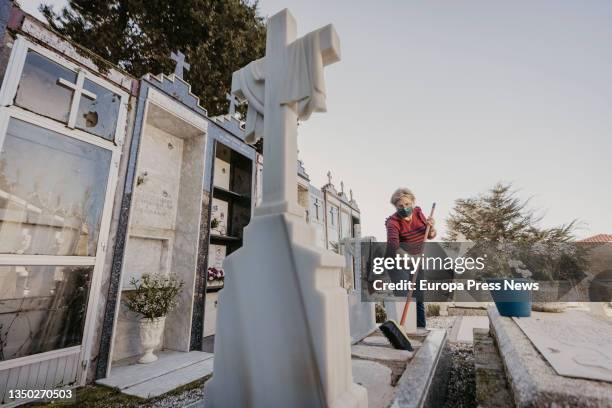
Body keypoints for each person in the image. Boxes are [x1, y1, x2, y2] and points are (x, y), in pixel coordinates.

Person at [385, 187, 436, 328]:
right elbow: (393, 247)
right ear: (395, 207)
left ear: (413, 202)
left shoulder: (418, 213)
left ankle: (420, 330)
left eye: (407, 204)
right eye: (400, 206)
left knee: (418, 298)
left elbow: (430, 235)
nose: (404, 208)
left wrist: (431, 227)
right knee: (404, 297)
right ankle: (402, 329)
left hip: (417, 261)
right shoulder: (393, 222)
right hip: (398, 262)